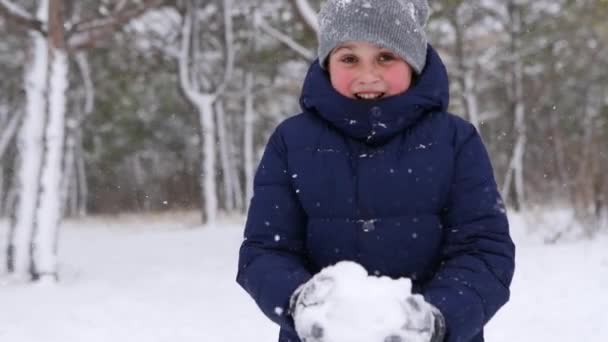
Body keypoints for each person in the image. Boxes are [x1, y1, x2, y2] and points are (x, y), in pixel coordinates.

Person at [236, 0, 515, 341]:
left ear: (413, 61)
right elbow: (264, 251)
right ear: (328, 63)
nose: (367, 76)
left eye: (386, 57)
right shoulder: (290, 142)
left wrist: (436, 318)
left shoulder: (456, 140)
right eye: (349, 58)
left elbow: (484, 250)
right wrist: (300, 302)